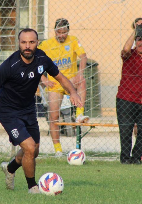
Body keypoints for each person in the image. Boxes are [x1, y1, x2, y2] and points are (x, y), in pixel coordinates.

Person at [0, 28, 82, 194]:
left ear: (37, 43)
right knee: (30, 148)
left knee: (34, 151)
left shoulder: (42, 58)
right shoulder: (9, 65)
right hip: (8, 111)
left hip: (28, 109)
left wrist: (74, 92)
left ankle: (10, 168)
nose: (27, 46)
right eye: (24, 42)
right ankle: (32, 187)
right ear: (18, 43)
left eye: (31, 42)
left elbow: (60, 78)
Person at [38, 18, 88, 156]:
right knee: (53, 117)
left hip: (70, 81)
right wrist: (43, 79)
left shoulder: (73, 40)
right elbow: (35, 62)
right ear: (54, 31)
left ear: (68, 31)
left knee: (82, 80)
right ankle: (58, 150)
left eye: (64, 32)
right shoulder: (46, 44)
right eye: (58, 32)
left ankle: (79, 113)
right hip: (54, 84)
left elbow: (83, 56)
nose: (61, 35)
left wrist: (80, 73)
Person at [116, 18, 142, 164]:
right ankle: (125, 159)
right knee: (125, 131)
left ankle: (136, 158)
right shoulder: (129, 54)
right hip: (125, 98)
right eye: (138, 39)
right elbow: (124, 49)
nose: (140, 43)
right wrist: (135, 30)